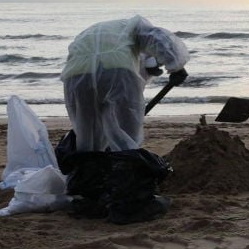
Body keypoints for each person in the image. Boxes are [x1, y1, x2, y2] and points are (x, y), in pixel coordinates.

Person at [61, 16, 190, 153]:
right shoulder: (135, 25)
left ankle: (89, 167)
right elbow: (158, 38)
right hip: (116, 71)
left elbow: (139, 73)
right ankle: (126, 163)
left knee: (88, 133)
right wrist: (176, 65)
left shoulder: (98, 32)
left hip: (75, 76)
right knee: (127, 132)